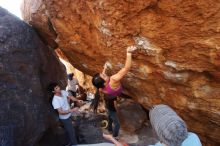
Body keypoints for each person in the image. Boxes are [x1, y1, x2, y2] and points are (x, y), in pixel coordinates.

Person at [91, 46, 137, 113]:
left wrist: (104, 68)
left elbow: (102, 79)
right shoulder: (113, 80)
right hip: (119, 90)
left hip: (115, 93)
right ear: (104, 83)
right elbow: (126, 69)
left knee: (118, 94)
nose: (105, 74)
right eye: (104, 76)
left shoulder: (100, 88)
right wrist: (129, 53)